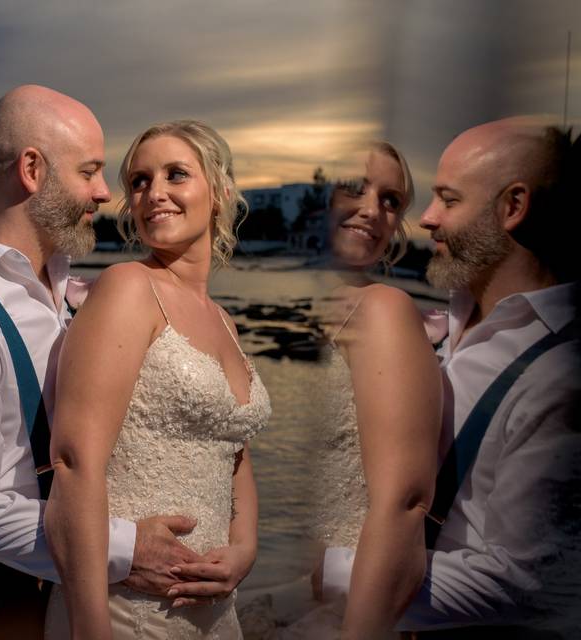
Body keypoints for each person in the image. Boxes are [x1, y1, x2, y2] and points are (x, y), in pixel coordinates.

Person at [0, 87, 210, 640]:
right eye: (89, 172)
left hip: (63, 590)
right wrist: (127, 549)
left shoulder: (70, 289)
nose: (104, 193)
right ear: (32, 169)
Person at [320, 119, 581, 637]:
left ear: (513, 207)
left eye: (449, 200)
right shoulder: (442, 321)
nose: (427, 219)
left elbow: (525, 583)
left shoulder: (560, 374)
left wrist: (336, 573)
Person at [44, 120, 270, 639]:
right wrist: (89, 626)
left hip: (214, 613)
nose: (155, 194)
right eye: (140, 182)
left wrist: (245, 549)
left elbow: (234, 450)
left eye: (176, 175)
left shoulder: (223, 321)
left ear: (220, 193)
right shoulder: (127, 289)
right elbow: (74, 463)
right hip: (127, 609)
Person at [283, 143, 442, 639]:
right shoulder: (279, 308)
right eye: (354, 187)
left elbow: (404, 501)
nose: (373, 210)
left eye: (391, 200)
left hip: (336, 608)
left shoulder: (386, 311)